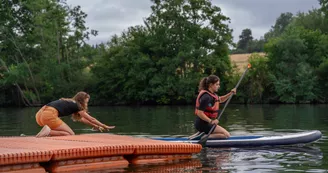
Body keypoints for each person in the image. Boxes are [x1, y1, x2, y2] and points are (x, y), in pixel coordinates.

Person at [35, 91, 115, 137]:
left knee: (65, 132)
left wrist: (95, 126)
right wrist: (103, 125)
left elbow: (82, 119)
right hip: (49, 115)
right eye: (86, 101)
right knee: (70, 134)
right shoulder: (77, 105)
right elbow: (91, 119)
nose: (86, 103)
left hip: (39, 115)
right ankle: (49, 132)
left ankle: (47, 133)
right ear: (82, 100)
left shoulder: (70, 102)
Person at [193, 75, 236, 139]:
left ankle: (202, 134)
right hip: (203, 124)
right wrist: (211, 121)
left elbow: (221, 99)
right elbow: (199, 113)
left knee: (224, 134)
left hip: (205, 123)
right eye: (217, 84)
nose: (219, 86)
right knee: (226, 135)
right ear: (211, 85)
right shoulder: (206, 97)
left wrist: (230, 93)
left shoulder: (212, 94)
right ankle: (204, 136)